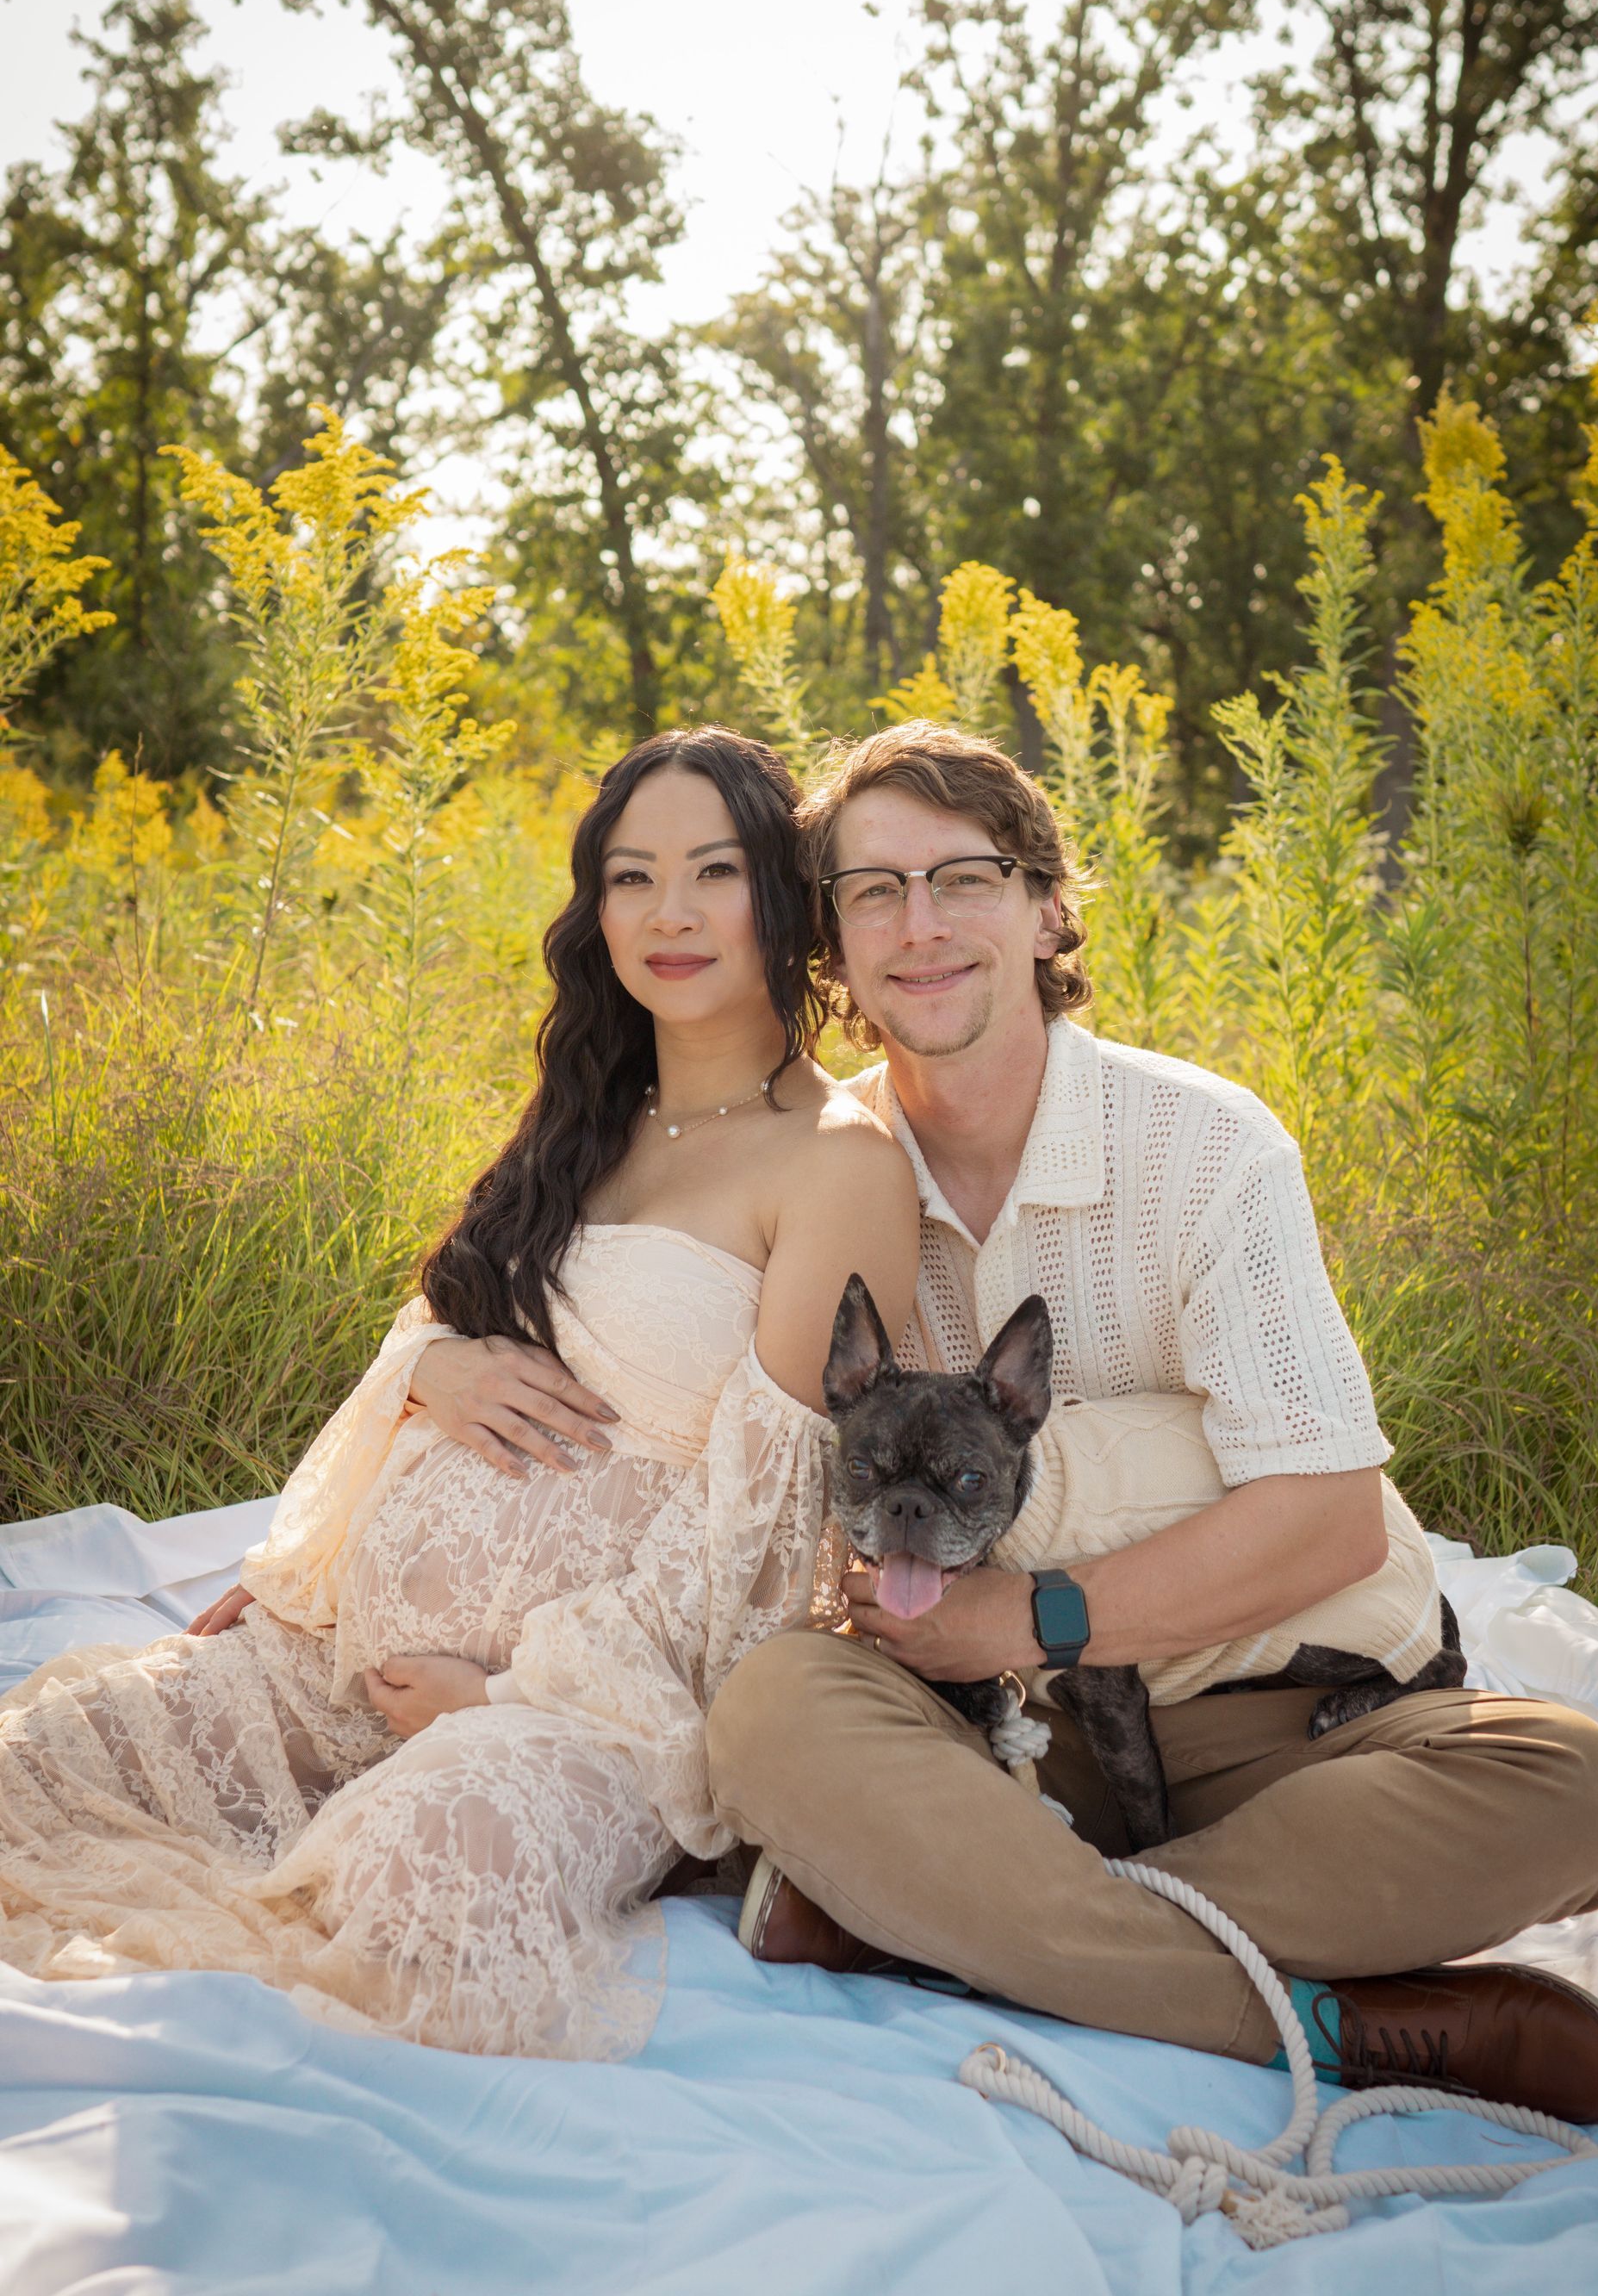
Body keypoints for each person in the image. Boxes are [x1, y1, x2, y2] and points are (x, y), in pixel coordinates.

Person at [702, 721, 1598, 2128]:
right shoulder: (820, 1168)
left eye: (964, 877)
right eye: (871, 890)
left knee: (1570, 1787)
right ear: (829, 937)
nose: (922, 925)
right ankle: (1333, 2023)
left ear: (1043, 907)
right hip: (1015, 1747)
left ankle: (944, 1923)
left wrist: (1031, 1620)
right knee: (770, 1712)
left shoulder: (1205, 1146)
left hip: (1293, 1734)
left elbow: (1325, 1518)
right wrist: (445, 1366)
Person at [0, 728, 917, 2059]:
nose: (667, 914)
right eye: (629, 876)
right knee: (39, 1759)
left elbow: (768, 1536)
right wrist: (423, 1386)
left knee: (431, 1880)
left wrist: (509, 1691)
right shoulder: (588, 1114)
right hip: (340, 1664)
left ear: (785, 894)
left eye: (714, 872)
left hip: (583, 1711)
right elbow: (434, 1326)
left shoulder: (837, 1165)